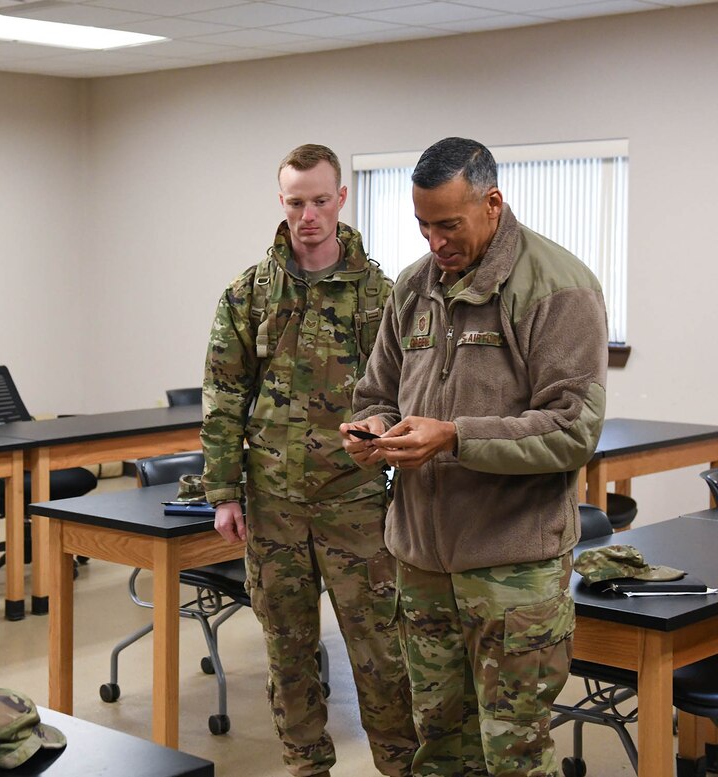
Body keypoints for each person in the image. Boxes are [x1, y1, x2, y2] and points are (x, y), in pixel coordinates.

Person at [343, 136, 607, 776]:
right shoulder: (412, 289)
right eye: (423, 226)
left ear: (492, 203)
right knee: (439, 746)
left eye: (449, 225)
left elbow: (573, 427)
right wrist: (370, 429)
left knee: (513, 754)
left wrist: (455, 436)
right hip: (421, 562)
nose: (435, 243)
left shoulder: (556, 287)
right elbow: (377, 390)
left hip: (511, 570)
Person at [201, 143, 418, 777]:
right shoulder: (249, 293)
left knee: (380, 652)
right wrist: (224, 493)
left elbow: (410, 392)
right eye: (296, 203)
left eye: (320, 201)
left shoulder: (382, 293)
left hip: (356, 500)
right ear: (282, 203)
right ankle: (304, 767)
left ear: (341, 198)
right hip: (272, 504)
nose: (308, 216)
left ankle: (399, 766)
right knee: (287, 654)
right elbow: (223, 397)